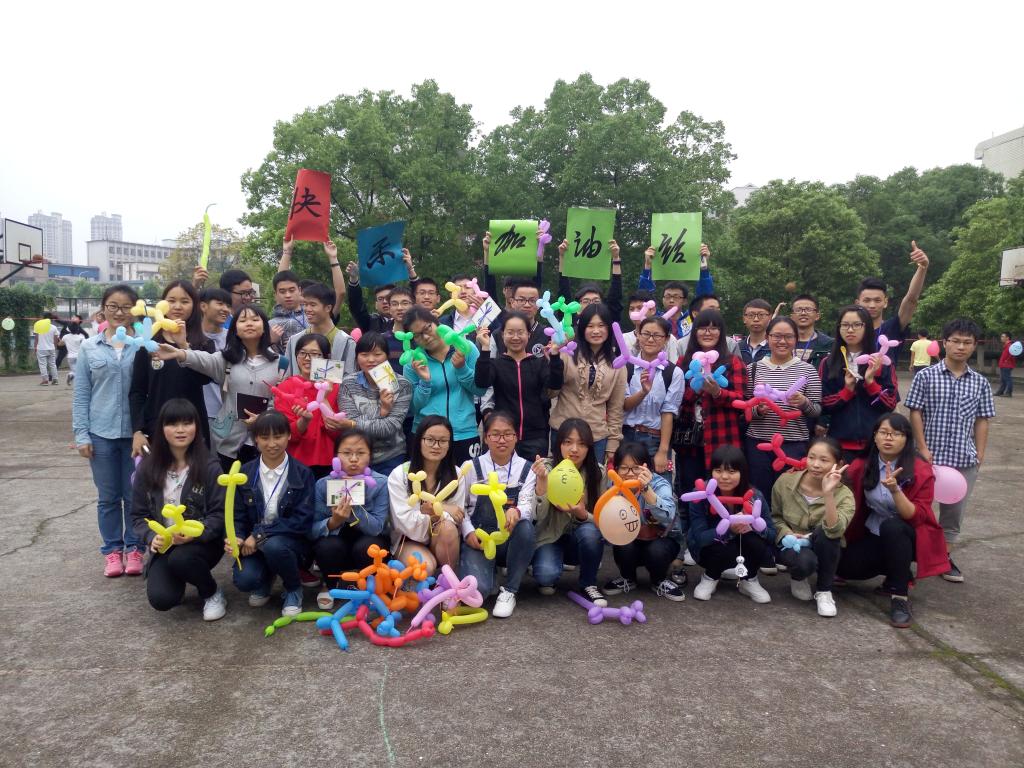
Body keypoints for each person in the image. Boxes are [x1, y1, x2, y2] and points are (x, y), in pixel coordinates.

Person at [905, 318, 994, 583]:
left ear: (974, 345)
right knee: (916, 508)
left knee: (954, 513)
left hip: (962, 458)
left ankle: (944, 558)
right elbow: (916, 412)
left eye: (967, 342)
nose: (961, 347)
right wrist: (922, 447)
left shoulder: (980, 382)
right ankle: (907, 556)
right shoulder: (926, 376)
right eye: (955, 341)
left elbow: (982, 419)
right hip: (927, 457)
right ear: (945, 343)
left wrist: (980, 454)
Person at [839, 414, 949, 628]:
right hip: (874, 532)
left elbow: (917, 516)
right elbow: (844, 498)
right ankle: (898, 569)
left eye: (896, 434)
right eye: (884, 432)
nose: (889, 438)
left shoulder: (921, 469)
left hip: (909, 533)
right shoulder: (862, 465)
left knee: (893, 527)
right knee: (842, 567)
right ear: (875, 436)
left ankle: (899, 596)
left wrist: (895, 490)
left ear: (907, 439)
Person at [129, 399, 227, 620]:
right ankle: (180, 578)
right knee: (162, 599)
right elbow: (138, 516)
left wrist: (195, 533)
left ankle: (211, 592)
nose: (180, 430)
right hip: (165, 546)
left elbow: (219, 514)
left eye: (187, 423)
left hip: (202, 544)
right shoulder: (147, 468)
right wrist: (151, 537)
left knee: (182, 560)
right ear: (162, 428)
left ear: (196, 427)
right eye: (173, 424)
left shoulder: (209, 466)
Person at [73, 285, 146, 577]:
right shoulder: (90, 347)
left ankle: (135, 548)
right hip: (100, 433)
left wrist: (146, 429)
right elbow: (82, 394)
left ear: (135, 311)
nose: (119, 312)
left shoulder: (142, 344)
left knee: (134, 495)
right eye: (113, 306)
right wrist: (82, 435)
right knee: (107, 497)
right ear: (103, 309)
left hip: (135, 435)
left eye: (126, 306)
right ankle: (113, 551)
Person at [155, 305, 280, 470]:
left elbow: (281, 399)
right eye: (243, 320)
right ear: (235, 330)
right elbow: (202, 360)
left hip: (267, 439)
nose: (249, 323)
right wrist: (179, 352)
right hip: (229, 440)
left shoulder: (280, 363)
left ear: (264, 327)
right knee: (226, 483)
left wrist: (263, 418)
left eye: (255, 320)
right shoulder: (226, 359)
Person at [673, 309, 748, 574]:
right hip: (691, 442)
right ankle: (691, 544)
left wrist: (717, 393)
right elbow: (675, 400)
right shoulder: (684, 361)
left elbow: (741, 400)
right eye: (703, 327)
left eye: (714, 327)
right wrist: (695, 392)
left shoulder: (732, 362)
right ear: (694, 332)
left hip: (722, 439)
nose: (708, 332)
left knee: (724, 494)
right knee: (690, 493)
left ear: (721, 332)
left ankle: (724, 547)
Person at [230, 410, 316, 617]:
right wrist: (236, 537)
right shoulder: (244, 473)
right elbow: (237, 514)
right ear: (255, 439)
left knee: (274, 546)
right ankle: (266, 578)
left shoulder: (302, 473)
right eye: (264, 437)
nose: (272, 444)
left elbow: (302, 521)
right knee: (244, 580)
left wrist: (259, 534)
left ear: (289, 436)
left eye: (278, 436)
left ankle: (293, 588)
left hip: (291, 543)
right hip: (253, 545)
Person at [459, 412, 539, 618]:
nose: (501, 440)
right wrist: (468, 532)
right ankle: (489, 574)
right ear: (485, 438)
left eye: (507, 434)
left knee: (526, 528)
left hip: (508, 539)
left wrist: (517, 511)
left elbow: (527, 504)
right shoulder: (470, 467)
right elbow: (461, 506)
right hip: (479, 540)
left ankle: (510, 590)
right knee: (479, 592)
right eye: (495, 434)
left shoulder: (527, 468)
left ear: (516, 437)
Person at [770, 437, 854, 617]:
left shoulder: (845, 495)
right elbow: (774, 517)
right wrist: (788, 534)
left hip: (825, 546)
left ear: (838, 464)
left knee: (827, 532)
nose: (815, 464)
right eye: (811, 457)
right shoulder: (785, 481)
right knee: (805, 562)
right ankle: (798, 577)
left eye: (824, 460)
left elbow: (835, 530)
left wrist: (828, 493)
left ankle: (824, 591)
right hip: (792, 544)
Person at [130, 280, 214, 455]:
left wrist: (183, 346)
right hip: (157, 427)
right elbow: (138, 391)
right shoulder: (148, 342)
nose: (177, 306)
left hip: (193, 427)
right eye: (171, 300)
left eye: (185, 301)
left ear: (194, 306)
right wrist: (137, 430)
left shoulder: (204, 344)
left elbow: (205, 379)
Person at [743, 316, 822, 501]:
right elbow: (744, 409)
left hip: (794, 445)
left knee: (790, 498)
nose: (782, 341)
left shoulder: (807, 370)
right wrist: (758, 410)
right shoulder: (753, 369)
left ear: (796, 339)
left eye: (788, 336)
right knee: (759, 497)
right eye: (777, 336)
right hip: (758, 444)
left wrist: (804, 402)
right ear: (767, 337)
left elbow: (817, 410)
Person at [310, 427, 390, 609]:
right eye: (346, 453)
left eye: (360, 453)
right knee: (327, 546)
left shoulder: (380, 483)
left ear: (370, 456)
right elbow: (312, 530)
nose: (354, 459)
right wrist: (334, 521)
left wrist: (354, 506)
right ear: (336, 457)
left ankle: (368, 586)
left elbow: (378, 527)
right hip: (337, 540)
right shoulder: (323, 484)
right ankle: (330, 584)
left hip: (368, 537)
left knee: (369, 547)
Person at [532, 418, 609, 606]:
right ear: (559, 444)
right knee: (545, 576)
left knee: (591, 534)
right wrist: (542, 486)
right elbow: (536, 517)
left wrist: (583, 515)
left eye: (581, 444)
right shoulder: (546, 469)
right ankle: (550, 566)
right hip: (550, 536)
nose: (574, 449)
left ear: (589, 447)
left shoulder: (598, 472)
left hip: (579, 536)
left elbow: (604, 522)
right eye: (568, 442)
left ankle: (588, 583)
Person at [689, 445, 776, 603]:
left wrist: (754, 526)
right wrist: (729, 528)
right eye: (718, 470)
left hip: (743, 546)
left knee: (756, 542)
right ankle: (710, 576)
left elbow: (771, 535)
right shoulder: (701, 494)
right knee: (719, 544)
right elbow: (700, 538)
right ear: (711, 471)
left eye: (731, 471)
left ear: (742, 473)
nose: (724, 477)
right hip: (709, 550)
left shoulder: (754, 496)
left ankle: (749, 579)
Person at [474, 312, 563, 461]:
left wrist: (554, 355)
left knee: (533, 475)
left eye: (520, 332)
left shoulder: (539, 363)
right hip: (504, 436)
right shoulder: (496, 364)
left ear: (529, 335)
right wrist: (485, 348)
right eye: (510, 332)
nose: (515, 337)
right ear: (503, 335)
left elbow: (555, 384)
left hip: (535, 437)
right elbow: (481, 382)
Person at [603, 442, 685, 601]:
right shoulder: (613, 485)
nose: (629, 473)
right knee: (622, 543)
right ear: (616, 469)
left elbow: (668, 516)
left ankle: (659, 580)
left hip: (661, 539)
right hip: (631, 537)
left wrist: (646, 490)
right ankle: (627, 577)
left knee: (656, 551)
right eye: (624, 468)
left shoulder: (660, 484)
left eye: (636, 468)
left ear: (646, 467)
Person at [403, 306, 484, 464]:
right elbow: (414, 406)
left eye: (427, 328)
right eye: (417, 335)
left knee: (466, 478)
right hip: (426, 435)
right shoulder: (413, 362)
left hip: (463, 433)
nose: (426, 337)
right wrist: (425, 382)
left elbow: (480, 389)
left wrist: (462, 369)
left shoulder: (465, 348)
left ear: (437, 323)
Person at [387, 416, 468, 573]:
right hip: (409, 539)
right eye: (430, 440)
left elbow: (456, 516)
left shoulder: (457, 474)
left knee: (448, 529)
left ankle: (449, 582)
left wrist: (436, 512)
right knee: (426, 567)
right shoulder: (400, 474)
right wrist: (441, 510)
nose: (436, 446)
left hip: (442, 537)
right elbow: (404, 522)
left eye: (443, 441)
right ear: (419, 441)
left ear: (449, 444)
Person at [548, 303, 626, 464]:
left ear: (609, 329)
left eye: (601, 326)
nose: (596, 331)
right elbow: (551, 393)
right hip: (563, 432)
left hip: (596, 436)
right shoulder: (566, 355)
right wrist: (553, 360)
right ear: (582, 328)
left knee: (593, 479)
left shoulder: (618, 365)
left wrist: (613, 443)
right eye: (590, 326)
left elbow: (616, 408)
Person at [819, 305, 899, 461]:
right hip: (839, 446)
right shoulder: (828, 363)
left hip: (876, 446)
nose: (850, 330)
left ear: (867, 327)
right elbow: (822, 404)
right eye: (845, 325)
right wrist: (847, 391)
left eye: (857, 325)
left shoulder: (881, 362)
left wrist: (871, 382)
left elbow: (890, 403)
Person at [273, 333, 349, 478]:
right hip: (296, 461)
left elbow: (337, 431)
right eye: (302, 353)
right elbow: (287, 433)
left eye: (315, 354)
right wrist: (304, 421)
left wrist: (324, 398)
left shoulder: (337, 388)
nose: (307, 358)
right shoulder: (286, 387)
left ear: (326, 357)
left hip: (331, 462)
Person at [337, 331, 412, 476]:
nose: (371, 360)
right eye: (364, 354)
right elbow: (351, 421)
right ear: (357, 357)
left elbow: (389, 428)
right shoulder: (348, 384)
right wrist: (382, 411)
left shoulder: (402, 384)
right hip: (355, 456)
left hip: (391, 455)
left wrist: (352, 424)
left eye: (377, 354)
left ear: (387, 356)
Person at [622, 316, 684, 479]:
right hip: (628, 436)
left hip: (655, 439)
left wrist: (663, 451)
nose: (650, 339)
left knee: (659, 486)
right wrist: (643, 392)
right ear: (638, 335)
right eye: (646, 334)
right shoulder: (626, 368)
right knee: (626, 487)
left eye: (657, 335)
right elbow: (624, 405)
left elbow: (668, 412)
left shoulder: (673, 372)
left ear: (666, 339)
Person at [855, 240, 930, 366]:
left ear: (885, 302)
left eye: (877, 300)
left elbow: (911, 299)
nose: (872, 305)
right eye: (866, 300)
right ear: (857, 303)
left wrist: (922, 267)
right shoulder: (850, 331)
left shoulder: (892, 328)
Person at [282, 282, 356, 378]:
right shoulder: (294, 340)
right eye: (305, 304)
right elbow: (287, 376)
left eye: (313, 305)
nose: (307, 309)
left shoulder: (346, 342)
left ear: (328, 308)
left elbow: (350, 379)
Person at [198, 287, 232, 430]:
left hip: (228, 414)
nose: (225, 309)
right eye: (220, 303)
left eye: (228, 305)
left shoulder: (234, 338)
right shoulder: (189, 337)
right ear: (203, 306)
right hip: (197, 412)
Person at [790, 294, 833, 369]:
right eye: (798, 310)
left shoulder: (829, 344)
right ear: (792, 316)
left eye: (808, 309)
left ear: (817, 316)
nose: (803, 313)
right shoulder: (782, 343)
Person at [268, 269, 306, 353]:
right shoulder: (270, 325)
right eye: (282, 292)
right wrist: (270, 342)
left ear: (299, 291)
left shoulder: (312, 317)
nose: (288, 295)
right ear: (275, 294)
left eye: (292, 290)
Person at [738, 299, 772, 365]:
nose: (756, 319)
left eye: (761, 315)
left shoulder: (775, 348)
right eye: (751, 315)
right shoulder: (737, 348)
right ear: (744, 319)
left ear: (770, 318)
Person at [58, 318, 88, 386]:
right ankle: (73, 377)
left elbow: (60, 344)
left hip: (70, 357)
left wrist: (61, 341)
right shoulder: (80, 337)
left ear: (69, 329)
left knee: (74, 370)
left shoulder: (65, 337)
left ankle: (71, 375)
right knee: (79, 370)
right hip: (79, 356)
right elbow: (85, 346)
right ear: (77, 329)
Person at [34, 313, 60, 385]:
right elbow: (56, 339)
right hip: (51, 348)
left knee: (42, 365)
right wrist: (54, 347)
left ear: (43, 318)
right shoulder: (54, 327)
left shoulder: (38, 326)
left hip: (41, 348)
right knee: (53, 364)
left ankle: (45, 380)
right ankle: (55, 380)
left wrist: (35, 347)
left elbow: (36, 338)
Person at [995, 332, 1015, 397]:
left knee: (1007, 379)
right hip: (1004, 365)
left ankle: (1008, 393)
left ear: (1007, 338)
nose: (1001, 338)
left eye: (1003, 336)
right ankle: (1000, 392)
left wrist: (1006, 361)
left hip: (1007, 365)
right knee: (1003, 379)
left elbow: (1012, 356)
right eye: (1001, 336)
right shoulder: (1006, 346)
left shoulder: (1010, 346)